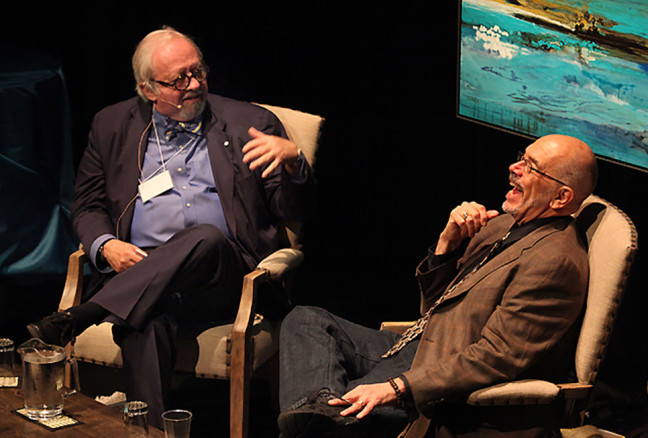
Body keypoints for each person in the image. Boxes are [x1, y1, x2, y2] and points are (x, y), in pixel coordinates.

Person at [27, 26, 316, 428]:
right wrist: (106, 244)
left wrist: (293, 162)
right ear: (148, 89)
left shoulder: (251, 122)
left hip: (225, 278)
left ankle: (82, 315)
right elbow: (87, 206)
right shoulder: (112, 125)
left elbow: (294, 209)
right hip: (144, 281)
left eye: (198, 72)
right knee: (144, 318)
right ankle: (153, 433)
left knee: (206, 237)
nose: (194, 84)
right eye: (179, 79)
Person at [277, 134, 597, 437]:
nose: (513, 169)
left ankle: (320, 420)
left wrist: (398, 386)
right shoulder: (503, 223)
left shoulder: (555, 262)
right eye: (520, 159)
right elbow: (434, 306)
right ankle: (319, 414)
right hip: (418, 344)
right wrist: (447, 244)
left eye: (530, 167)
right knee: (308, 319)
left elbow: (496, 356)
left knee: (330, 416)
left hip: (443, 380)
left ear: (561, 197)